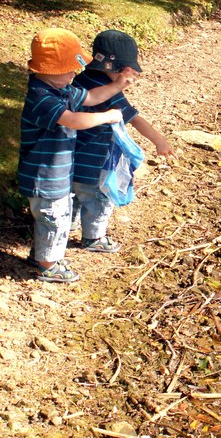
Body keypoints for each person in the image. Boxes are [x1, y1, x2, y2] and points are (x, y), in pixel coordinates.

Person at [19, 28, 137, 283]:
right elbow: (72, 120)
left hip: (58, 174)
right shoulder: (41, 98)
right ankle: (47, 265)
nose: (76, 73)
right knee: (54, 218)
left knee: (56, 217)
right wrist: (107, 116)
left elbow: (92, 97)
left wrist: (118, 85)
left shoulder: (61, 89)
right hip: (44, 176)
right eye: (70, 68)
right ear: (50, 70)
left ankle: (43, 255)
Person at [72, 30, 176, 253]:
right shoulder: (109, 91)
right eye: (121, 70)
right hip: (97, 157)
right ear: (111, 67)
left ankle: (68, 226)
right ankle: (93, 238)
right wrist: (159, 140)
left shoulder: (81, 79)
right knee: (100, 197)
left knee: (76, 193)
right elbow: (134, 118)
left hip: (74, 154)